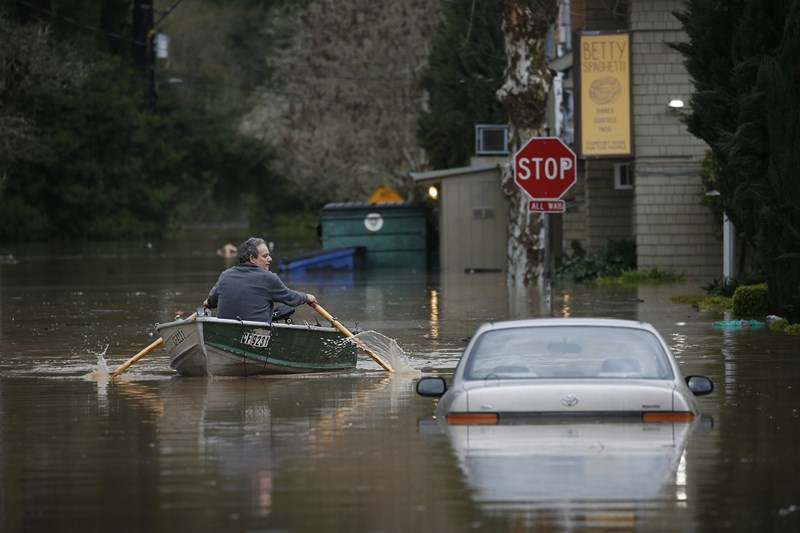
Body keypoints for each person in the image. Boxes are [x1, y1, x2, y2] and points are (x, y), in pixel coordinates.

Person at [204, 237, 317, 322]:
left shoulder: (225, 275)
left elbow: (211, 302)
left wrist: (208, 302)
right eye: (265, 256)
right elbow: (291, 298)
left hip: (224, 332)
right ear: (252, 259)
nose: (270, 259)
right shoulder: (269, 278)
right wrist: (306, 297)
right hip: (256, 334)